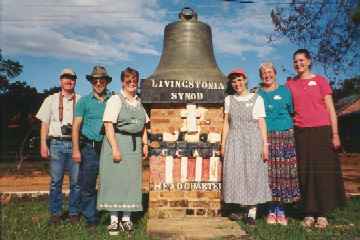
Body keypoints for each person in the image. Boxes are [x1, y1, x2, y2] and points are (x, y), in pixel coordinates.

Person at [286, 49, 345, 229]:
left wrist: (335, 134)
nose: (298, 64)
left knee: (322, 173)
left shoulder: (321, 81)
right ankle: (309, 213)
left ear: (309, 61)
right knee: (305, 172)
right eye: (295, 61)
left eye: (302, 60)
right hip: (301, 132)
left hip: (322, 131)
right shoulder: (290, 84)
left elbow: (331, 109)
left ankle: (322, 214)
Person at [97, 67, 149, 235]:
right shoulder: (115, 100)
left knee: (131, 181)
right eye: (128, 80)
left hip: (134, 145)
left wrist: (145, 144)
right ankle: (113, 221)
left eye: (135, 80)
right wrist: (115, 149)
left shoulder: (139, 102)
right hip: (117, 142)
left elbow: (144, 126)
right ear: (123, 82)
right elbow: (108, 125)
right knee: (115, 180)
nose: (132, 83)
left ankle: (126, 219)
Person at [221, 68, 272, 225]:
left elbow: (262, 123)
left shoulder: (257, 99)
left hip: (253, 140)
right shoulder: (229, 99)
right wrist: (223, 144)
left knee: (252, 173)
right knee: (236, 173)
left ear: (246, 80)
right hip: (235, 140)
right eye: (234, 81)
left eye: (240, 80)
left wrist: (265, 145)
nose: (237, 83)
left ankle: (252, 212)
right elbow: (226, 123)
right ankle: (240, 209)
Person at [257, 62, 301, 226]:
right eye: (263, 73)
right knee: (269, 174)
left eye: (270, 72)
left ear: (275, 73)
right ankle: (270, 209)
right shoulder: (258, 94)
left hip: (285, 134)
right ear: (261, 76)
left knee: (283, 173)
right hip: (267, 136)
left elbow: (292, 111)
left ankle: (281, 210)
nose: (267, 75)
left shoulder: (285, 91)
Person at [36, 68, 81, 224]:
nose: (69, 81)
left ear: (75, 81)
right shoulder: (51, 99)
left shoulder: (81, 100)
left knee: (76, 182)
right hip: (56, 144)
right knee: (56, 182)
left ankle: (74, 213)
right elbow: (44, 123)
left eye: (72, 78)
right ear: (60, 80)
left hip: (75, 144)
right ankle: (55, 214)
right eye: (66, 78)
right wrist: (43, 144)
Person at [72, 66, 112, 230]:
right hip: (90, 147)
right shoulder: (84, 101)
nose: (98, 83)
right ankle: (91, 219)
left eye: (101, 80)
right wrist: (75, 149)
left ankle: (113, 216)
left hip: (108, 147)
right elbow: (75, 126)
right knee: (87, 184)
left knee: (110, 182)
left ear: (106, 81)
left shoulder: (113, 100)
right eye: (95, 80)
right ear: (91, 82)